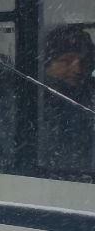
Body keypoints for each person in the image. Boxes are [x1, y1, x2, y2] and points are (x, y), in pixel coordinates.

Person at [38, 24, 95, 174]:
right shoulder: (31, 98)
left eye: (83, 61)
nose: (77, 69)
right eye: (66, 61)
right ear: (47, 64)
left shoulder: (91, 93)